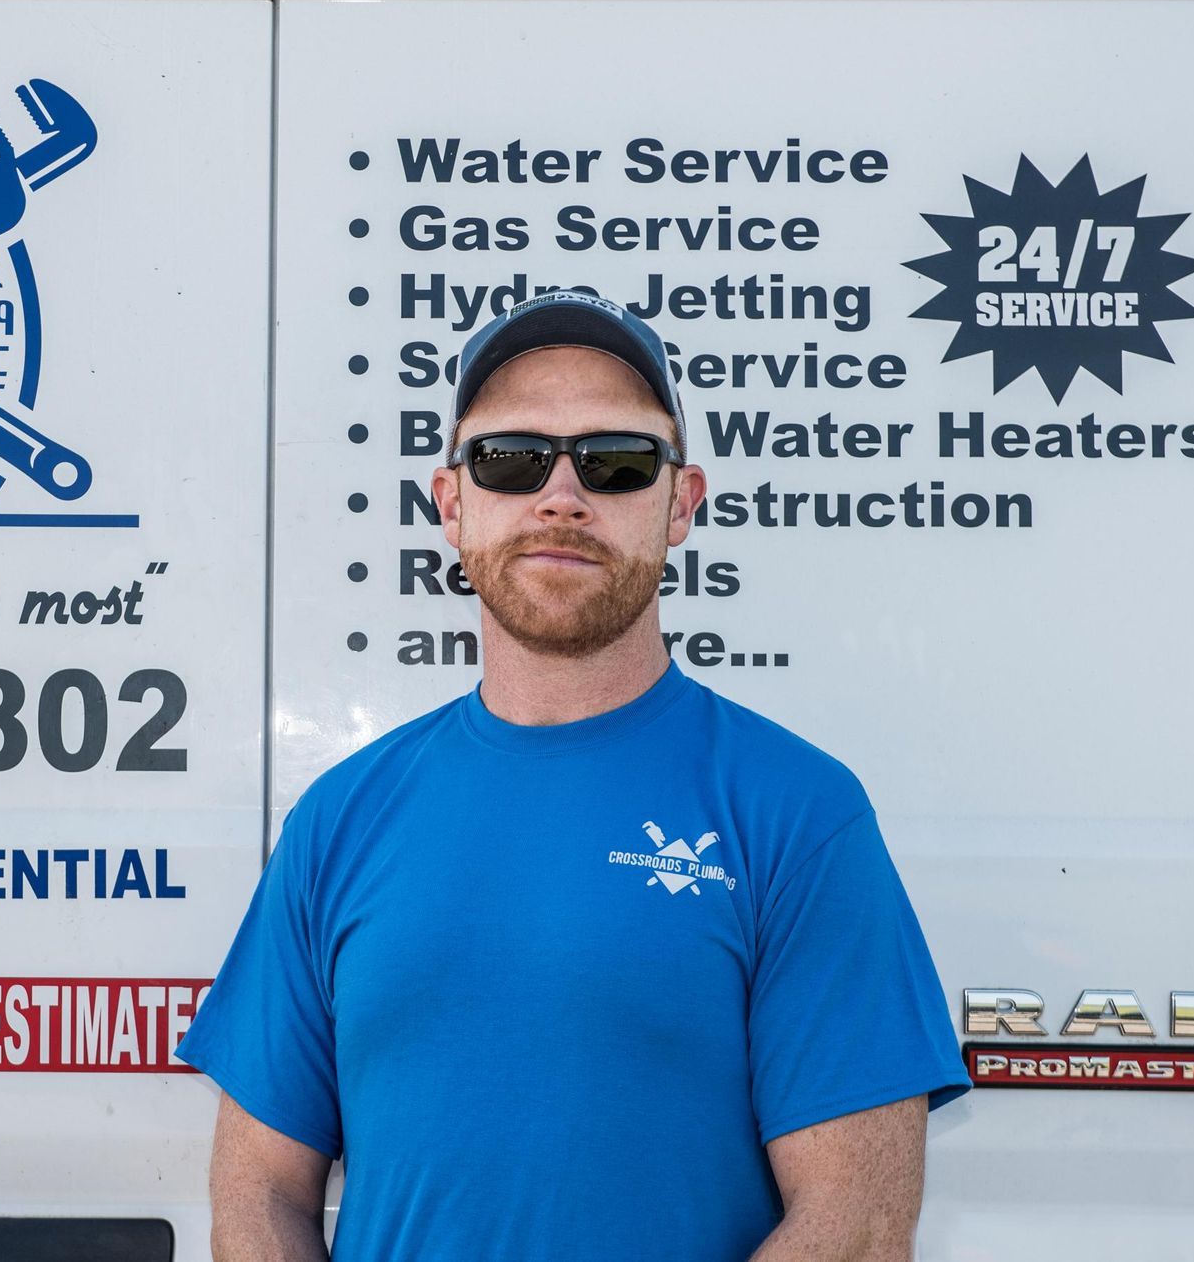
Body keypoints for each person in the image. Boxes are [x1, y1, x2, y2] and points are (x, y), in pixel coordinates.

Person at [177, 290, 970, 1260]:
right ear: (452, 504)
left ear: (680, 502)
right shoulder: (340, 818)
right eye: (511, 459)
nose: (562, 495)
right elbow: (257, 1194)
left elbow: (858, 1226)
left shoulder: (798, 812)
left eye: (616, 461)